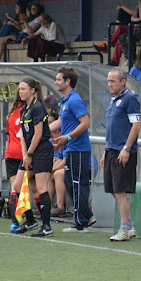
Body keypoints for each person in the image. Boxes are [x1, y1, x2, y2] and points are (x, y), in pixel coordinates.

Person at [52, 67, 96, 232]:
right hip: (70, 148)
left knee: (78, 184)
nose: (56, 82)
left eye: (58, 79)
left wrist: (67, 137)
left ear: (67, 81)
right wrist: (40, 129)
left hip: (78, 149)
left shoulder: (74, 100)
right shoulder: (65, 100)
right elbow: (60, 123)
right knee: (70, 182)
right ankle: (86, 215)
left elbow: (85, 123)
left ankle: (80, 223)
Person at [11, 78, 55, 237]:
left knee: (42, 188)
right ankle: (30, 221)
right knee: (17, 185)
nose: (20, 92)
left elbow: (38, 135)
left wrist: (29, 155)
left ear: (32, 90)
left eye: (23, 89)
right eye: (19, 89)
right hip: (30, 152)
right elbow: (23, 135)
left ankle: (47, 227)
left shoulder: (38, 107)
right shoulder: (24, 109)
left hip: (41, 151)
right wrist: (25, 155)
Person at [102, 69, 141, 242]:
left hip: (122, 151)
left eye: (113, 81)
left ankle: (124, 229)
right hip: (111, 150)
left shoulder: (129, 99)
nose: (109, 84)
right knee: (113, 190)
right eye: (108, 81)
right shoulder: (114, 100)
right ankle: (129, 226)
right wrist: (106, 150)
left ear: (123, 82)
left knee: (119, 191)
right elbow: (112, 128)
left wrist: (126, 148)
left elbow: (136, 125)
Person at [4, 89, 25, 232]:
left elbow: (8, 137)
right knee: (35, 188)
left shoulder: (11, 114)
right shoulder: (31, 111)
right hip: (24, 153)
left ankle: (15, 222)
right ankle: (41, 222)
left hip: (11, 152)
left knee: (14, 188)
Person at [48, 120, 67, 217]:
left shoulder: (65, 139)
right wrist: (50, 170)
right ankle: (48, 206)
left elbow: (65, 161)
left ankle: (60, 207)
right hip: (68, 167)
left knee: (57, 174)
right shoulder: (60, 143)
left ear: (58, 133)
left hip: (83, 168)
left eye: (52, 136)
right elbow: (60, 159)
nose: (51, 139)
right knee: (50, 175)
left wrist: (52, 170)